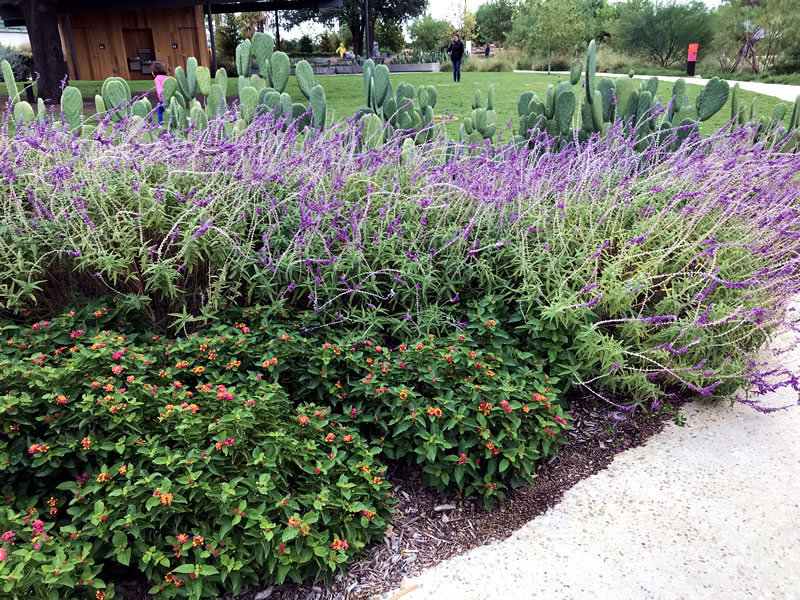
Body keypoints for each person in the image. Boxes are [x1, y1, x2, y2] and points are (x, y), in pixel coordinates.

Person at [152, 61, 167, 125]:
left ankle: (160, 124)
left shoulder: (157, 78)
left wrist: (161, 97)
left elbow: (159, 89)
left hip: (163, 98)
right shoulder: (166, 77)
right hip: (169, 97)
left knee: (160, 111)